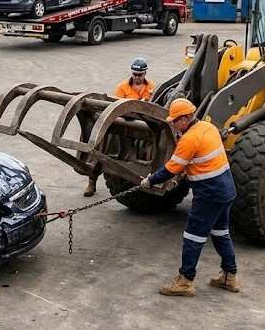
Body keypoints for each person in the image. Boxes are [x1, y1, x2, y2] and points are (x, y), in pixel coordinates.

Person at [140, 98, 240, 297]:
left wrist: (150, 181)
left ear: (185, 119)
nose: (172, 124)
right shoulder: (208, 127)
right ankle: (230, 277)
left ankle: (185, 281)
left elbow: (172, 168)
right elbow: (200, 160)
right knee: (221, 233)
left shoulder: (189, 139)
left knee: (193, 236)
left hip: (209, 194)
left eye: (175, 121)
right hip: (227, 190)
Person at [83, 57, 154, 197]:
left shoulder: (150, 86)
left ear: (145, 74)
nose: (136, 77)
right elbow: (117, 107)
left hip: (141, 124)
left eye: (139, 75)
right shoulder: (123, 87)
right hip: (123, 122)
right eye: (134, 74)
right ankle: (92, 180)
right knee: (105, 147)